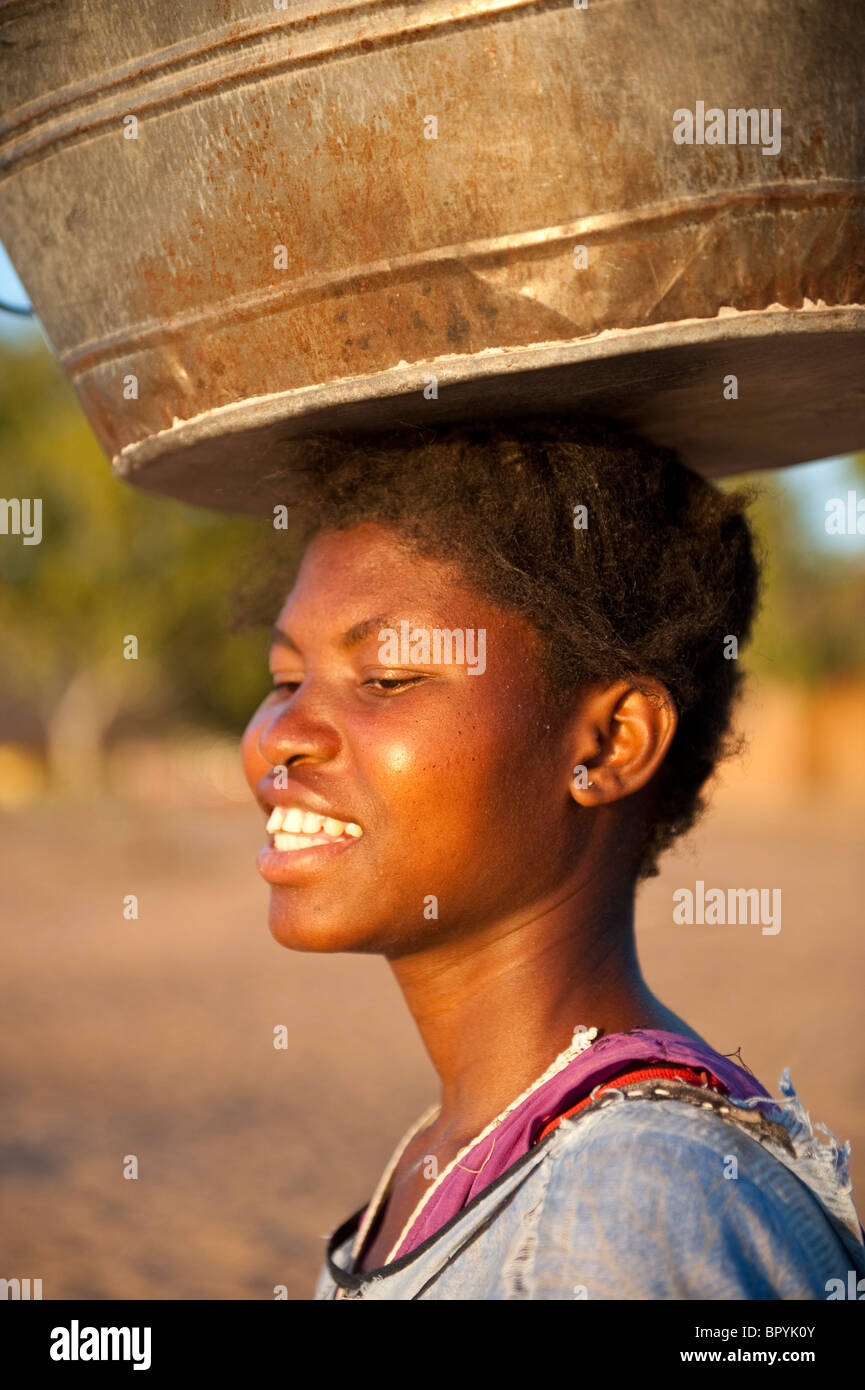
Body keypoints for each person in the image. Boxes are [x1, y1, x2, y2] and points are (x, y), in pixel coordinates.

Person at [238, 415, 865, 1300]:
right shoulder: (465, 1147)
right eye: (282, 680)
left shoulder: (627, 1202)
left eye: (385, 679)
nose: (280, 738)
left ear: (609, 744)